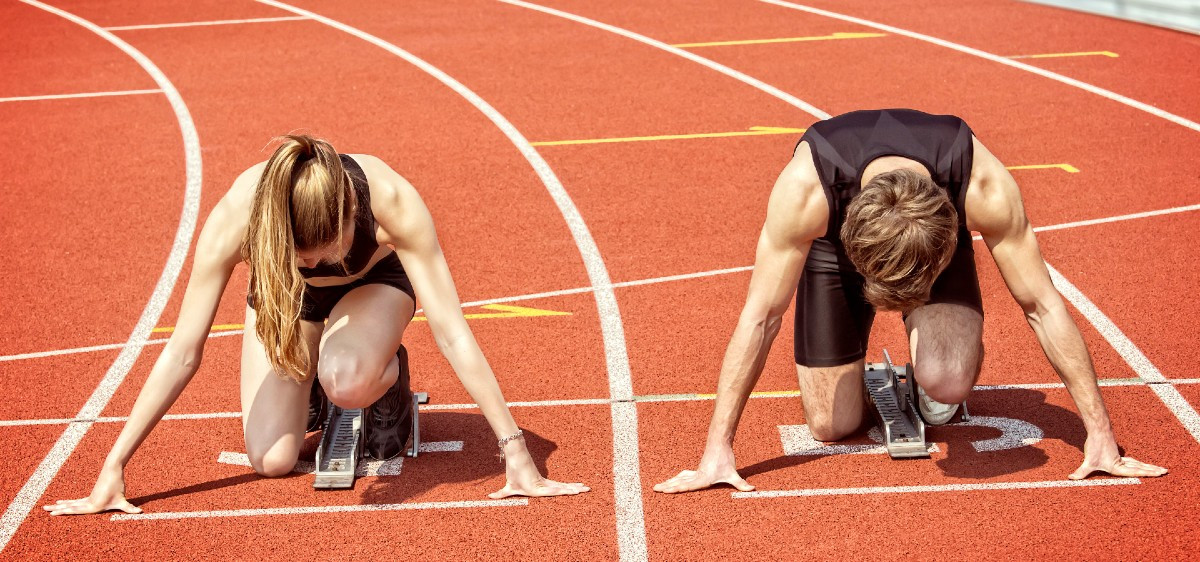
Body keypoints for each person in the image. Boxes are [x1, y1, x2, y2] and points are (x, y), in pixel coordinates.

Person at [45, 135, 588, 515]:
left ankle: (382, 372)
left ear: (351, 216)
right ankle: (312, 379)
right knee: (272, 460)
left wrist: (516, 454)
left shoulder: (391, 202)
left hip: (373, 290)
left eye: (322, 253)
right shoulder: (238, 218)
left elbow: (452, 330)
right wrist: (114, 466)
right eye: (298, 256)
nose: (312, 263)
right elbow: (185, 350)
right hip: (287, 304)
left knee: (348, 378)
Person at [654, 108, 1167, 494]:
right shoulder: (805, 196)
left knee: (947, 382)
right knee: (830, 427)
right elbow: (762, 316)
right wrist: (716, 449)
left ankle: (925, 379)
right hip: (837, 245)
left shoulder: (982, 188)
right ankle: (876, 361)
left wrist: (1100, 435)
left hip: (928, 240)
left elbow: (1042, 304)